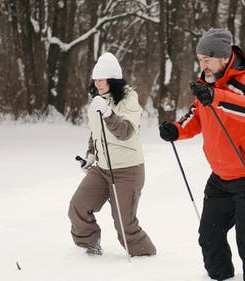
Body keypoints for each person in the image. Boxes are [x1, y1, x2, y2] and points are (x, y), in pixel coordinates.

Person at [159, 28, 245, 281]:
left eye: (207, 59)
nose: (202, 65)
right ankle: (220, 276)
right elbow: (197, 114)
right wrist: (176, 130)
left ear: (224, 58)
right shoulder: (207, 84)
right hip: (222, 174)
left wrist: (217, 97)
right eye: (200, 59)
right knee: (209, 234)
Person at [68, 52, 156, 257]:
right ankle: (89, 246)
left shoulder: (129, 100)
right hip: (102, 168)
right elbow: (95, 132)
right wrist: (91, 154)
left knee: (125, 225)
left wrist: (108, 113)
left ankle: (146, 257)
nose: (97, 83)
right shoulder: (96, 101)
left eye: (102, 79)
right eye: (95, 79)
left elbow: (125, 132)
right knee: (78, 206)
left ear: (113, 80)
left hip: (128, 170)